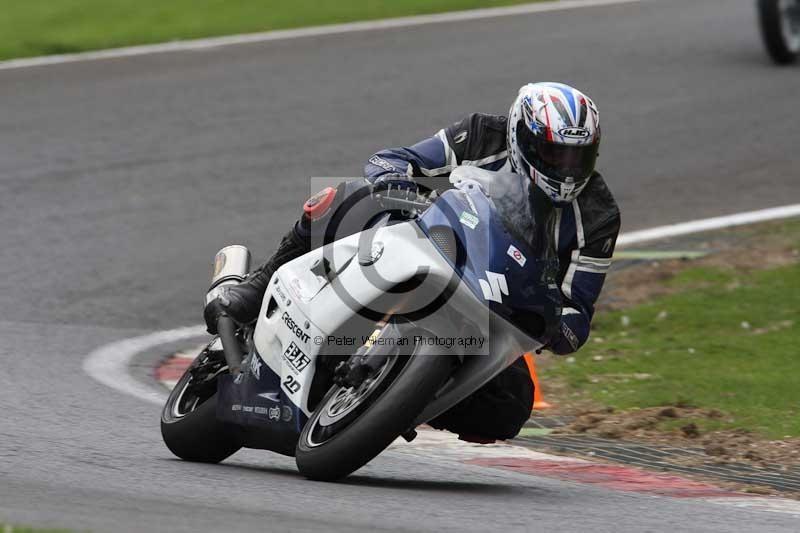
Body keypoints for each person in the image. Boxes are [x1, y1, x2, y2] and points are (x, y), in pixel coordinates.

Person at [204, 82, 621, 441]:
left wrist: (555, 327)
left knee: (510, 407)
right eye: (553, 154)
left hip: (497, 308)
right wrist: (398, 182)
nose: (567, 169)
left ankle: (399, 403)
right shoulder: (481, 135)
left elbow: (577, 312)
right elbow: (392, 159)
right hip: (431, 243)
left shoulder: (598, 216)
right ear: (520, 138)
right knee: (347, 195)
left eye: (577, 157)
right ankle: (256, 287)